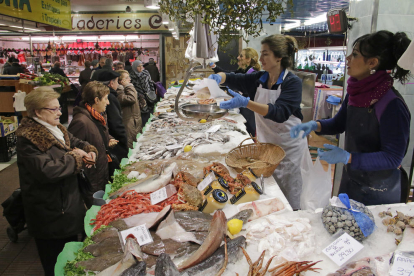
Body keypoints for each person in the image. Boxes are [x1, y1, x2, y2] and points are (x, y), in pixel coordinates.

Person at [291, 30, 411, 206]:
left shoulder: (392, 105)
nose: (347, 59)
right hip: (353, 180)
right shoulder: (356, 93)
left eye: (354, 55)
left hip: (380, 190)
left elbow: (393, 158)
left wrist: (348, 157)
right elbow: (339, 123)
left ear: (372, 62)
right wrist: (314, 125)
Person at [208, 34, 307, 210]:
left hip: (289, 147)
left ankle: (292, 218)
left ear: (279, 57)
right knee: (268, 189)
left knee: (289, 194)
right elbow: (233, 78)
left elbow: (279, 113)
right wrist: (220, 77)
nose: (260, 59)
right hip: (265, 146)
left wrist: (247, 103)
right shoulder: (259, 78)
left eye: (265, 54)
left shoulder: (293, 82)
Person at [16, 87, 97, 276]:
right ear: (37, 112)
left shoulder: (55, 128)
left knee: (69, 254)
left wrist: (89, 149)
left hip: (66, 206)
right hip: (50, 211)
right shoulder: (28, 138)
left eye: (59, 107)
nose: (60, 112)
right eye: (54, 109)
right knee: (55, 262)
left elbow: (73, 141)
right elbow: (47, 170)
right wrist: (76, 158)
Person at [68, 81, 118, 207]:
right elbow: (73, 148)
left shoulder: (98, 116)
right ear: (96, 100)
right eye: (106, 99)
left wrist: (107, 139)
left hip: (101, 170)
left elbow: (96, 134)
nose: (108, 102)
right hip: (92, 178)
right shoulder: (81, 121)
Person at [211, 47, 261, 136]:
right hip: (243, 107)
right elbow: (230, 76)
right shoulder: (242, 71)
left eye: (241, 56)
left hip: (250, 110)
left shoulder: (253, 74)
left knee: (249, 132)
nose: (238, 57)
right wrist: (215, 68)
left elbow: (248, 92)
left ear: (248, 59)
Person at [98, 70, 129, 162]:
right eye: (116, 81)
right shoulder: (110, 97)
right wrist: (123, 141)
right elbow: (115, 123)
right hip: (115, 142)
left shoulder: (110, 95)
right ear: (111, 83)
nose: (118, 84)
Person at [116, 69, 143, 148]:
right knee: (132, 147)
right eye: (127, 78)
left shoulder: (126, 89)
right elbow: (131, 99)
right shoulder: (120, 90)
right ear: (121, 81)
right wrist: (129, 85)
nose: (129, 79)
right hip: (129, 123)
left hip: (135, 121)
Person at [130, 60, 158, 126]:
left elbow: (150, 83)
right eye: (138, 66)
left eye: (141, 66)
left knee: (152, 113)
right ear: (134, 67)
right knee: (144, 116)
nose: (141, 67)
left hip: (149, 96)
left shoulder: (146, 73)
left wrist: (152, 93)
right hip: (140, 98)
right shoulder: (131, 76)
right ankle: (145, 128)